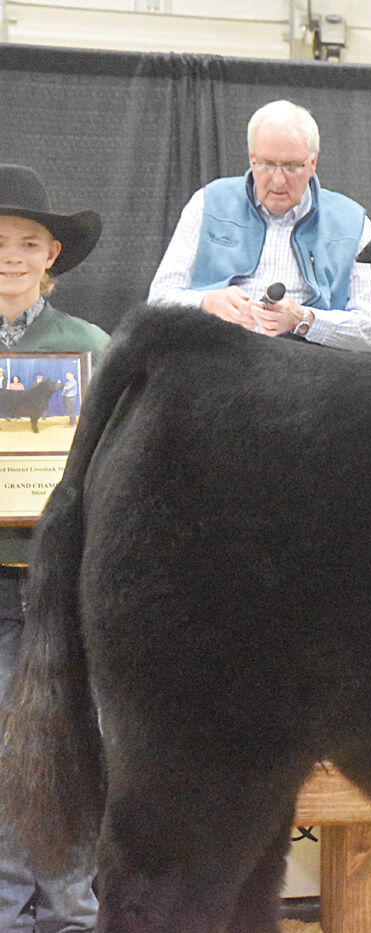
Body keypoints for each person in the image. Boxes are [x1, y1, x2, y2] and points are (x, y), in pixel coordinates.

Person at [0, 162, 108, 932]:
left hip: (62, 584)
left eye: (27, 242)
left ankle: (71, 911)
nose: (10, 255)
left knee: (68, 755)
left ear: (52, 257)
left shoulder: (89, 345)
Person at [147, 100, 371, 352]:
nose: (279, 180)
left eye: (292, 166)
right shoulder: (207, 203)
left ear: (312, 163)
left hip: (308, 368)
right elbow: (158, 300)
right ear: (252, 159)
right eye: (267, 164)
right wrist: (207, 302)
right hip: (215, 358)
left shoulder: (352, 223)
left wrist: (303, 320)